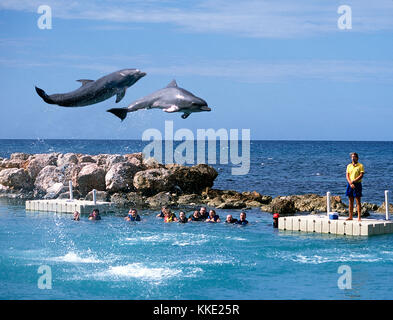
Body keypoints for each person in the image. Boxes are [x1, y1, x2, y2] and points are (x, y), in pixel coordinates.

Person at [345, 152, 365, 221]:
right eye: (352, 157)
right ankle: (350, 216)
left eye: (354, 157)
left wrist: (354, 181)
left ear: (357, 158)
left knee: (358, 201)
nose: (353, 158)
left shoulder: (360, 166)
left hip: (357, 184)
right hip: (350, 184)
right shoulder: (349, 166)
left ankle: (359, 217)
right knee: (350, 201)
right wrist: (350, 182)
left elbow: (361, 175)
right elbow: (347, 175)